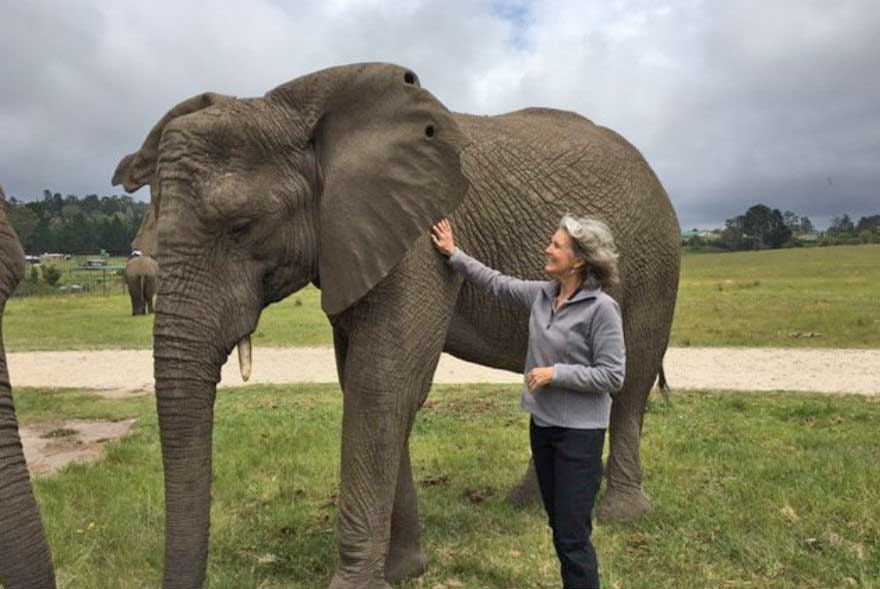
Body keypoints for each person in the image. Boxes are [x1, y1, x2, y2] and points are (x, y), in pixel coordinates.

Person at [431, 216, 625, 589]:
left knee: (572, 535)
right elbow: (496, 284)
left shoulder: (602, 310)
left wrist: (557, 374)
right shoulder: (543, 295)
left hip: (580, 436)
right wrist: (453, 253)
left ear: (579, 260)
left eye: (556, 245)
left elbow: (613, 375)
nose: (547, 250)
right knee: (559, 524)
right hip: (544, 427)